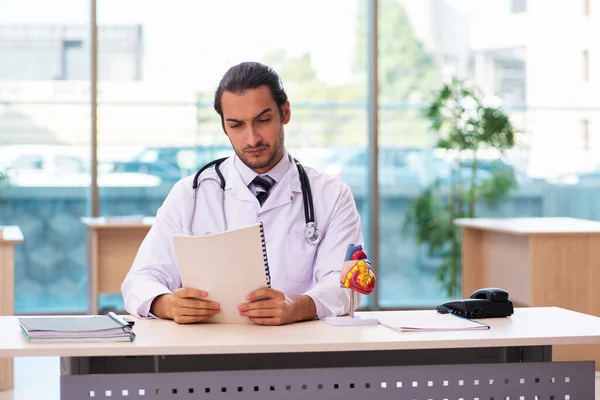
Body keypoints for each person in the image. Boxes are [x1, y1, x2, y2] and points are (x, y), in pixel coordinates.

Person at [121, 61, 367, 326]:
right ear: (224, 126)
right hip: (207, 353)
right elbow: (140, 279)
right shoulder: (189, 195)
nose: (252, 139)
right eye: (237, 125)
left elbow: (346, 285)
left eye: (262, 121)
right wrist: (167, 304)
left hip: (298, 350)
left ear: (285, 112)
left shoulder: (332, 196)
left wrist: (296, 307)